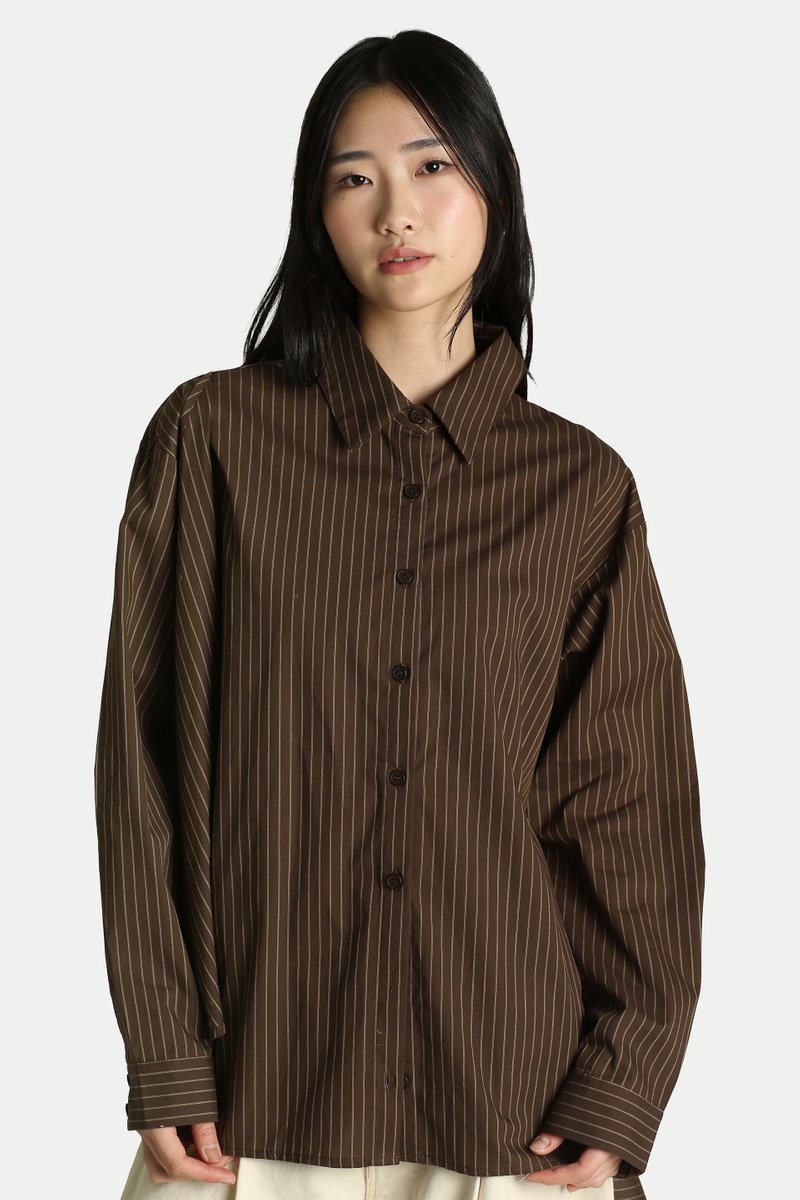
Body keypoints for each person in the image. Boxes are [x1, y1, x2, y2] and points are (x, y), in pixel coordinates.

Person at [94, 29, 704, 1200]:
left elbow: (625, 814)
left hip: (511, 1119)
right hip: (250, 1109)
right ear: (315, 213)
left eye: (430, 166)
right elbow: (142, 769)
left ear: (493, 188)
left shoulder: (579, 490)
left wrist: (620, 1086)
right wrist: (165, 1052)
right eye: (352, 177)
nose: (395, 212)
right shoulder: (210, 442)